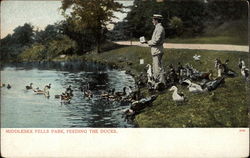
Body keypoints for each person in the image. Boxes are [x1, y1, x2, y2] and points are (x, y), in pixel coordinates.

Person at [141, 14, 166, 89]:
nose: (152, 21)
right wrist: (147, 41)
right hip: (157, 50)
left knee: (157, 69)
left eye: (153, 20)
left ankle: (159, 85)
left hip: (157, 51)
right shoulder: (158, 28)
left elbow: (156, 41)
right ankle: (161, 84)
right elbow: (156, 40)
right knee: (158, 68)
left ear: (156, 20)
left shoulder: (159, 28)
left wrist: (147, 42)